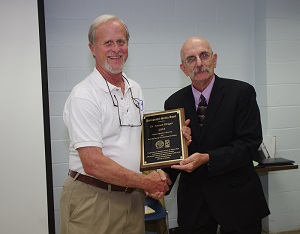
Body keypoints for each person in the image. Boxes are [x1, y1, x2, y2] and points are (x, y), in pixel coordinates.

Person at [60, 14, 180, 234]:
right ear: (92, 48)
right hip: (93, 199)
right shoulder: (84, 95)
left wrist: (176, 140)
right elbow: (93, 163)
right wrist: (146, 183)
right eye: (107, 43)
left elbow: (134, 144)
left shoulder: (135, 88)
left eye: (121, 42)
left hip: (132, 197)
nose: (116, 49)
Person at [163, 37, 270, 234]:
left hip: (238, 200)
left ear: (215, 60)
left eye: (204, 55)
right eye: (191, 59)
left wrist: (208, 158)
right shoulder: (173, 103)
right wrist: (161, 179)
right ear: (183, 68)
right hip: (195, 203)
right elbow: (173, 154)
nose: (200, 63)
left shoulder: (241, 93)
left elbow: (249, 144)